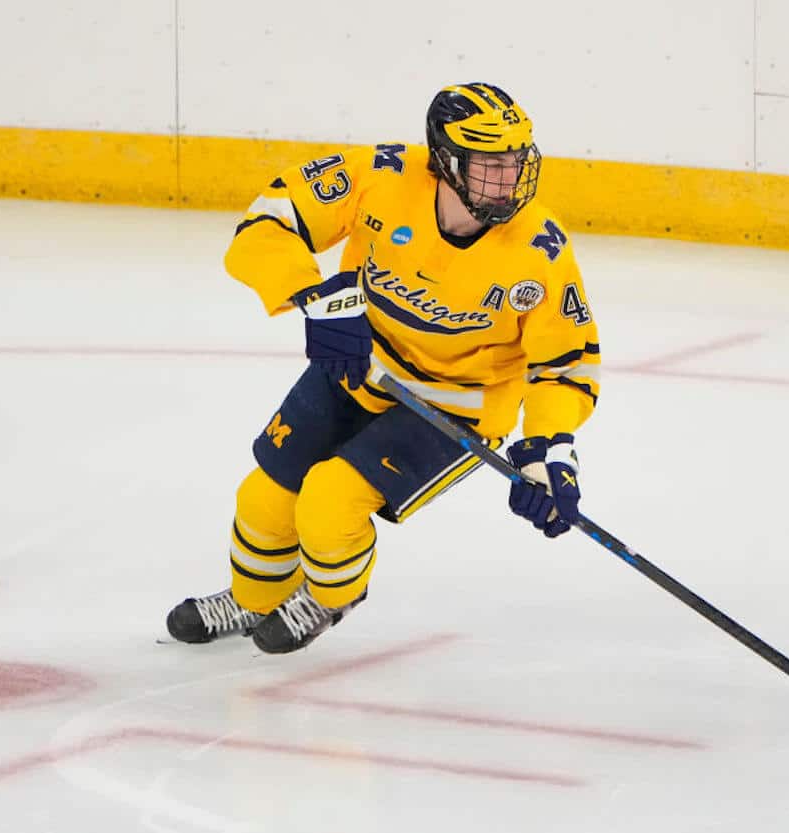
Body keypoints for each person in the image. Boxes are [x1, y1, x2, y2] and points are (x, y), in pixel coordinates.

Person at [165, 82, 601, 654]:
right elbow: (266, 222)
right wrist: (314, 298)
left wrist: (551, 451)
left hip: (457, 407)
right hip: (362, 366)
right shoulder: (381, 176)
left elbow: (565, 366)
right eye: (490, 164)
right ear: (444, 160)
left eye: (516, 160)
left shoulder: (539, 251)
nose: (509, 178)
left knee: (328, 501)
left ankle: (328, 596)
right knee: (263, 497)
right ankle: (252, 599)